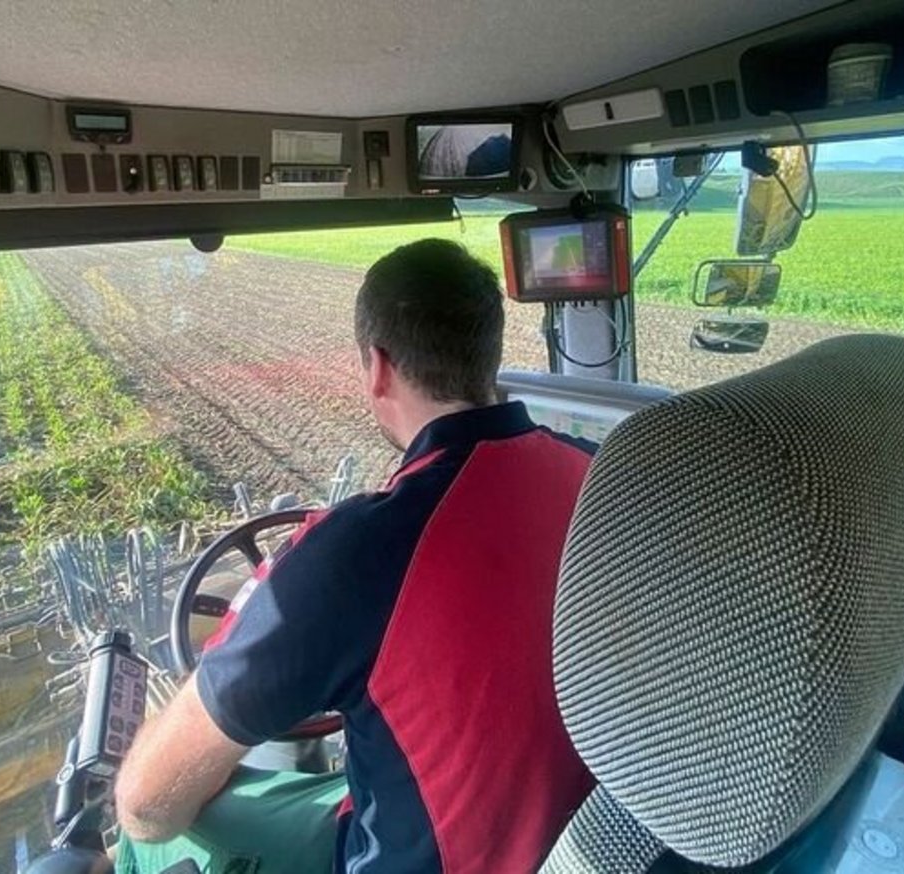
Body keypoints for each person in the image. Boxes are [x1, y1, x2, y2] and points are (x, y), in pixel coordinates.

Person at [113, 239, 595, 873]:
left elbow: (150, 804)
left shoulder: (352, 551)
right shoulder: (596, 477)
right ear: (489, 356)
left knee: (141, 841)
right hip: (589, 839)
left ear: (377, 366)